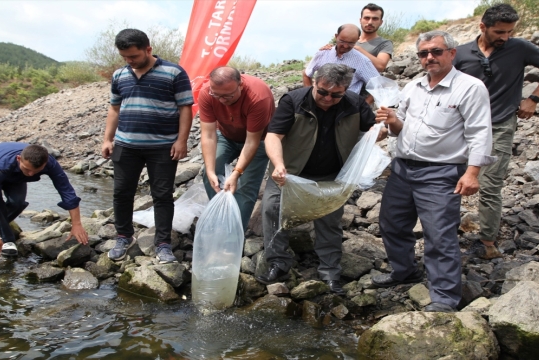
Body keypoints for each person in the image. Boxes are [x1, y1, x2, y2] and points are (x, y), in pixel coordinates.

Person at [372, 31, 497, 312]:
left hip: (441, 173)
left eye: (436, 51)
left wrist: (472, 172)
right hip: (402, 168)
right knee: (392, 224)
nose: (429, 57)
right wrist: (390, 122)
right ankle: (404, 272)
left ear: (452, 54)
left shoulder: (470, 87)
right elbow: (399, 123)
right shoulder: (413, 86)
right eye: (423, 53)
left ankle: (444, 298)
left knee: (439, 235)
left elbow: (479, 132)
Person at [257, 63, 387, 294]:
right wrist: (278, 165)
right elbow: (273, 136)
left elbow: (372, 132)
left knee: (329, 221)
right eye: (323, 92)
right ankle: (278, 263)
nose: (328, 98)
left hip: (333, 175)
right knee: (272, 210)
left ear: (346, 89)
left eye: (336, 95)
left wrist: (381, 129)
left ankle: (330, 272)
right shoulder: (294, 101)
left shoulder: (355, 103)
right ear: (314, 83)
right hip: (290, 172)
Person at [453, 4, 539, 259]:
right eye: (500, 32)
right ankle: (447, 233)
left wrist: (533, 98)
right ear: (483, 27)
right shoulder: (461, 54)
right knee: (451, 179)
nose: (505, 37)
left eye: (510, 32)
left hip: (499, 125)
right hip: (462, 128)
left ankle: (487, 243)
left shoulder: (520, 48)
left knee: (489, 184)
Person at [101, 29, 193, 263]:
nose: (129, 61)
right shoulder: (120, 75)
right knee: (122, 193)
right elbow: (114, 108)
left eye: (134, 56)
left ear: (148, 49)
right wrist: (107, 139)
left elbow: (185, 108)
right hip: (126, 145)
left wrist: (181, 140)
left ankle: (163, 244)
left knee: (162, 195)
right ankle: (123, 236)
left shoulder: (174, 72)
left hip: (162, 147)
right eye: (125, 57)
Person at [0, 143, 89, 257]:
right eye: (27, 169)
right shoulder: (1, 166)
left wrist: (76, 224)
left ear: (45, 163)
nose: (31, 174)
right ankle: (8, 240)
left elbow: (66, 191)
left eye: (36, 171)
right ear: (19, 159)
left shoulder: (50, 163)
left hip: (16, 174)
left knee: (18, 203)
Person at [199, 67, 274, 232]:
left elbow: (251, 142)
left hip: (258, 140)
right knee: (209, 174)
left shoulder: (258, 97)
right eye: (216, 95)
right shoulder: (206, 93)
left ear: (240, 85)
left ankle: (234, 231)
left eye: (227, 95)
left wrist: (236, 172)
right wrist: (210, 170)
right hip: (226, 135)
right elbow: (209, 135)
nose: (222, 100)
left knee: (246, 185)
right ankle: (220, 217)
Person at [303, 24, 380, 95]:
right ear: (336, 36)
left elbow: (378, 85)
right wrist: (310, 97)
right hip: (321, 102)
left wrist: (364, 104)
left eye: (351, 43)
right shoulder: (322, 54)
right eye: (342, 41)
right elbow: (306, 74)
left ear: (357, 39)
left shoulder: (362, 61)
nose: (346, 46)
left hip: (347, 105)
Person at [356, 3, 394, 72]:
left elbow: (380, 66)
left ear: (381, 22)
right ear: (360, 20)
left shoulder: (385, 44)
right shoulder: (350, 41)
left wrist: (358, 49)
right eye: (367, 18)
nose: (370, 22)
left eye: (375, 19)